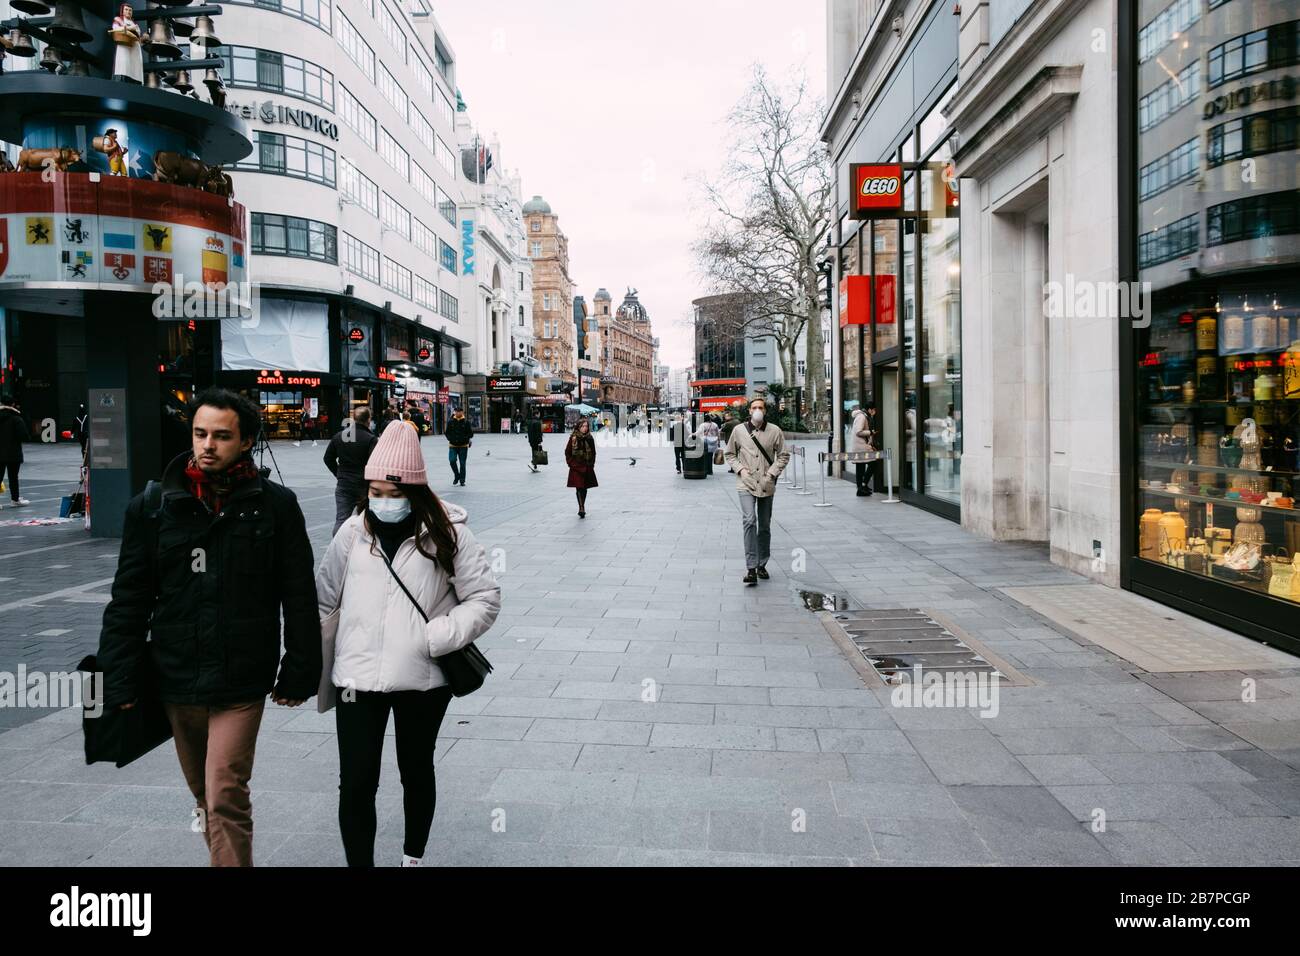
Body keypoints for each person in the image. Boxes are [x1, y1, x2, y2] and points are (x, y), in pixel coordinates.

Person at [95, 387, 321, 867]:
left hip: (243, 675)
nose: (207, 445)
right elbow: (128, 600)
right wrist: (118, 678)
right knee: (204, 796)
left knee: (224, 793)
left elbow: (298, 594)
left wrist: (300, 668)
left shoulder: (276, 506)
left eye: (221, 436)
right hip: (177, 674)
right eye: (200, 434)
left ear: (245, 443)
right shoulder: (153, 508)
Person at [315, 421, 501, 867]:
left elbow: (485, 598)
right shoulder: (352, 533)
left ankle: (412, 857)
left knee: (416, 770)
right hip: (356, 680)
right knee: (356, 781)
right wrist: (312, 661)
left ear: (414, 491)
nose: (383, 501)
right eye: (374, 491)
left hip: (424, 679)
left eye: (392, 492)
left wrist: (439, 635)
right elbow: (323, 598)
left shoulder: (447, 533)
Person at [724, 396, 790, 585]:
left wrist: (772, 474)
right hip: (745, 482)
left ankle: (762, 564)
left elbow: (783, 455)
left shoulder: (775, 431)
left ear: (765, 411)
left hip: (767, 483)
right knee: (749, 520)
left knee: (764, 525)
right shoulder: (739, 431)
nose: (758, 410)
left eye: (761, 407)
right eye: (754, 407)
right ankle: (751, 568)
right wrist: (741, 470)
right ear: (749, 411)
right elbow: (729, 453)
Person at [324, 407, 378, 535]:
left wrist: (338, 474)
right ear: (368, 420)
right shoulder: (370, 439)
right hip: (363, 485)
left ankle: (337, 546)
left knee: (341, 519)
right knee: (367, 518)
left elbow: (327, 458)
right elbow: (374, 463)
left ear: (354, 419)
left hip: (344, 484)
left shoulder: (339, 436)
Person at [0, 396, 30, 508]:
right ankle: (15, 499)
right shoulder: (16, 419)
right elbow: (24, 436)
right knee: (13, 477)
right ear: (12, 404)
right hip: (13, 453)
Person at [565, 418, 598, 518]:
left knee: (584, 488)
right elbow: (567, 452)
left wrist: (591, 464)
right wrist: (571, 463)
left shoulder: (589, 438)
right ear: (579, 427)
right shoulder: (574, 438)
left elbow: (593, 452)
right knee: (579, 487)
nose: (585, 428)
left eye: (586, 426)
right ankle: (581, 507)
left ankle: (582, 505)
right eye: (583, 426)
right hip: (576, 467)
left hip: (587, 466)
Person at [851, 403, 876, 497]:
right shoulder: (862, 417)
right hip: (861, 446)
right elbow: (858, 431)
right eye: (874, 410)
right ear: (870, 409)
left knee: (861, 467)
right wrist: (870, 432)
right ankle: (862, 487)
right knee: (870, 464)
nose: (874, 412)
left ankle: (862, 487)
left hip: (862, 446)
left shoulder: (864, 416)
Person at [445, 407, 473, 486]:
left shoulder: (466, 422)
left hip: (463, 446)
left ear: (462, 412)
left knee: (462, 463)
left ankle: (462, 480)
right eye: (456, 412)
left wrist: (465, 439)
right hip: (452, 445)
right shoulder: (450, 422)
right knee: (452, 461)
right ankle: (457, 475)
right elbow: (447, 433)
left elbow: (471, 434)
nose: (457, 413)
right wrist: (450, 438)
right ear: (455, 412)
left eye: (459, 412)